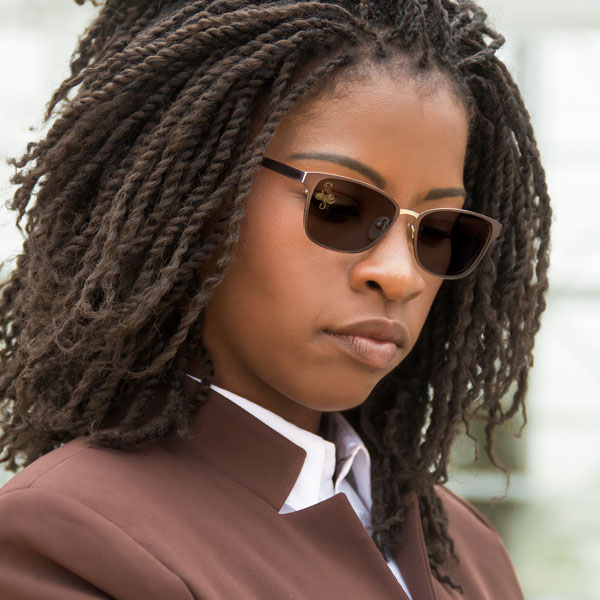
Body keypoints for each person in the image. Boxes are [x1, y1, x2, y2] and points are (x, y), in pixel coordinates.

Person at [0, 0, 551, 598]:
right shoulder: (67, 539)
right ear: (205, 196)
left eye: (439, 231)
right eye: (342, 206)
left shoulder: (468, 552)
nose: (401, 275)